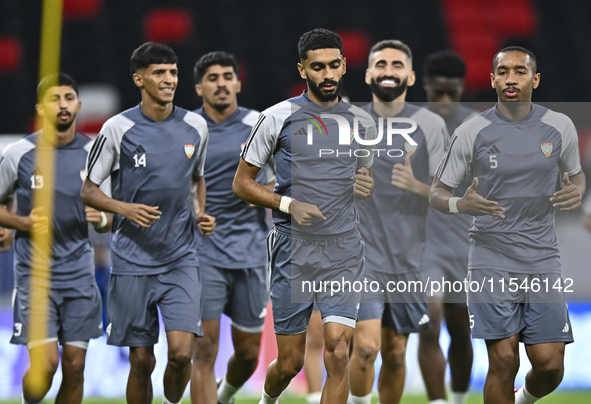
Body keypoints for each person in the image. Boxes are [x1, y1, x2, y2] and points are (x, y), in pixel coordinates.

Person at [430, 46, 585, 404]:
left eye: (519, 71)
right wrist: (459, 204)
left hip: (542, 259)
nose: (510, 79)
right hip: (489, 256)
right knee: (502, 360)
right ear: (492, 79)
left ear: (536, 79)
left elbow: (576, 177)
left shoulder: (559, 126)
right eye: (503, 72)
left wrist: (575, 192)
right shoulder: (472, 130)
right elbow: (438, 190)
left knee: (550, 366)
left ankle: (522, 400)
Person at [233, 28, 375, 404]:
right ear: (302, 70)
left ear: (344, 65)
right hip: (292, 247)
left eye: (333, 65)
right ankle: (269, 399)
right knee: (291, 361)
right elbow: (242, 184)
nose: (327, 74)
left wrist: (365, 186)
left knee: (338, 351)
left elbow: (364, 177)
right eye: (317, 67)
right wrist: (288, 204)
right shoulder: (276, 117)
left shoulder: (361, 122)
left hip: (343, 246)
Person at [81, 42, 214, 404]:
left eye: (172, 72)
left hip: (181, 259)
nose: (169, 79)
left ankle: (171, 400)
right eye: (159, 73)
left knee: (182, 354)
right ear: (139, 79)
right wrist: (123, 208)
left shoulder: (196, 126)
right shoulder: (117, 128)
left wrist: (200, 212)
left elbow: (197, 177)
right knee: (141, 360)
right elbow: (89, 191)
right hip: (132, 260)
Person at [0, 73, 111, 404]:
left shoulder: (95, 153)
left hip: (80, 275)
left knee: (75, 367)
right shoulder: (19, 153)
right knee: (45, 366)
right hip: (35, 276)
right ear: (40, 107)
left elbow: (111, 212)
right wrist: (20, 221)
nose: (62, 105)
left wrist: (104, 219)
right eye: (54, 99)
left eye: (68, 98)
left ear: (77, 105)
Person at [348, 40, 447, 404]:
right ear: (369, 73)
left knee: (395, 352)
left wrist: (417, 186)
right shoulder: (350, 122)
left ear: (411, 75)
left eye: (396, 64)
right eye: (381, 64)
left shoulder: (429, 124)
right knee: (366, 349)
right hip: (361, 259)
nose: (389, 71)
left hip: (409, 261)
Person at [190, 51, 272, 404]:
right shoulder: (186, 128)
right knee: (203, 352)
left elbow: (288, 178)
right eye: (212, 77)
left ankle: (225, 394)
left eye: (227, 76)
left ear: (238, 83)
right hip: (201, 251)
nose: (221, 83)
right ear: (199, 88)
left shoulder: (261, 123)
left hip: (252, 252)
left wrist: (264, 193)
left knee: (250, 354)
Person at [418, 50, 476, 404]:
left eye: (450, 93)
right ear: (424, 85)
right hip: (424, 247)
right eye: (436, 92)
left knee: (460, 332)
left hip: (467, 246)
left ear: (461, 88)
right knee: (430, 322)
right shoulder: (408, 128)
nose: (443, 100)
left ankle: (457, 400)